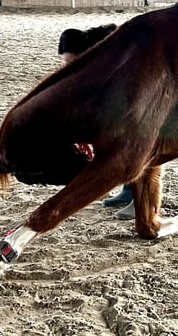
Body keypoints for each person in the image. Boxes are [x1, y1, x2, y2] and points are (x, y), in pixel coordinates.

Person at [58, 23, 135, 219]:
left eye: (72, 62)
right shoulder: (93, 60)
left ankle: (141, 199)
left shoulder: (112, 57)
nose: (69, 68)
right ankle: (128, 191)